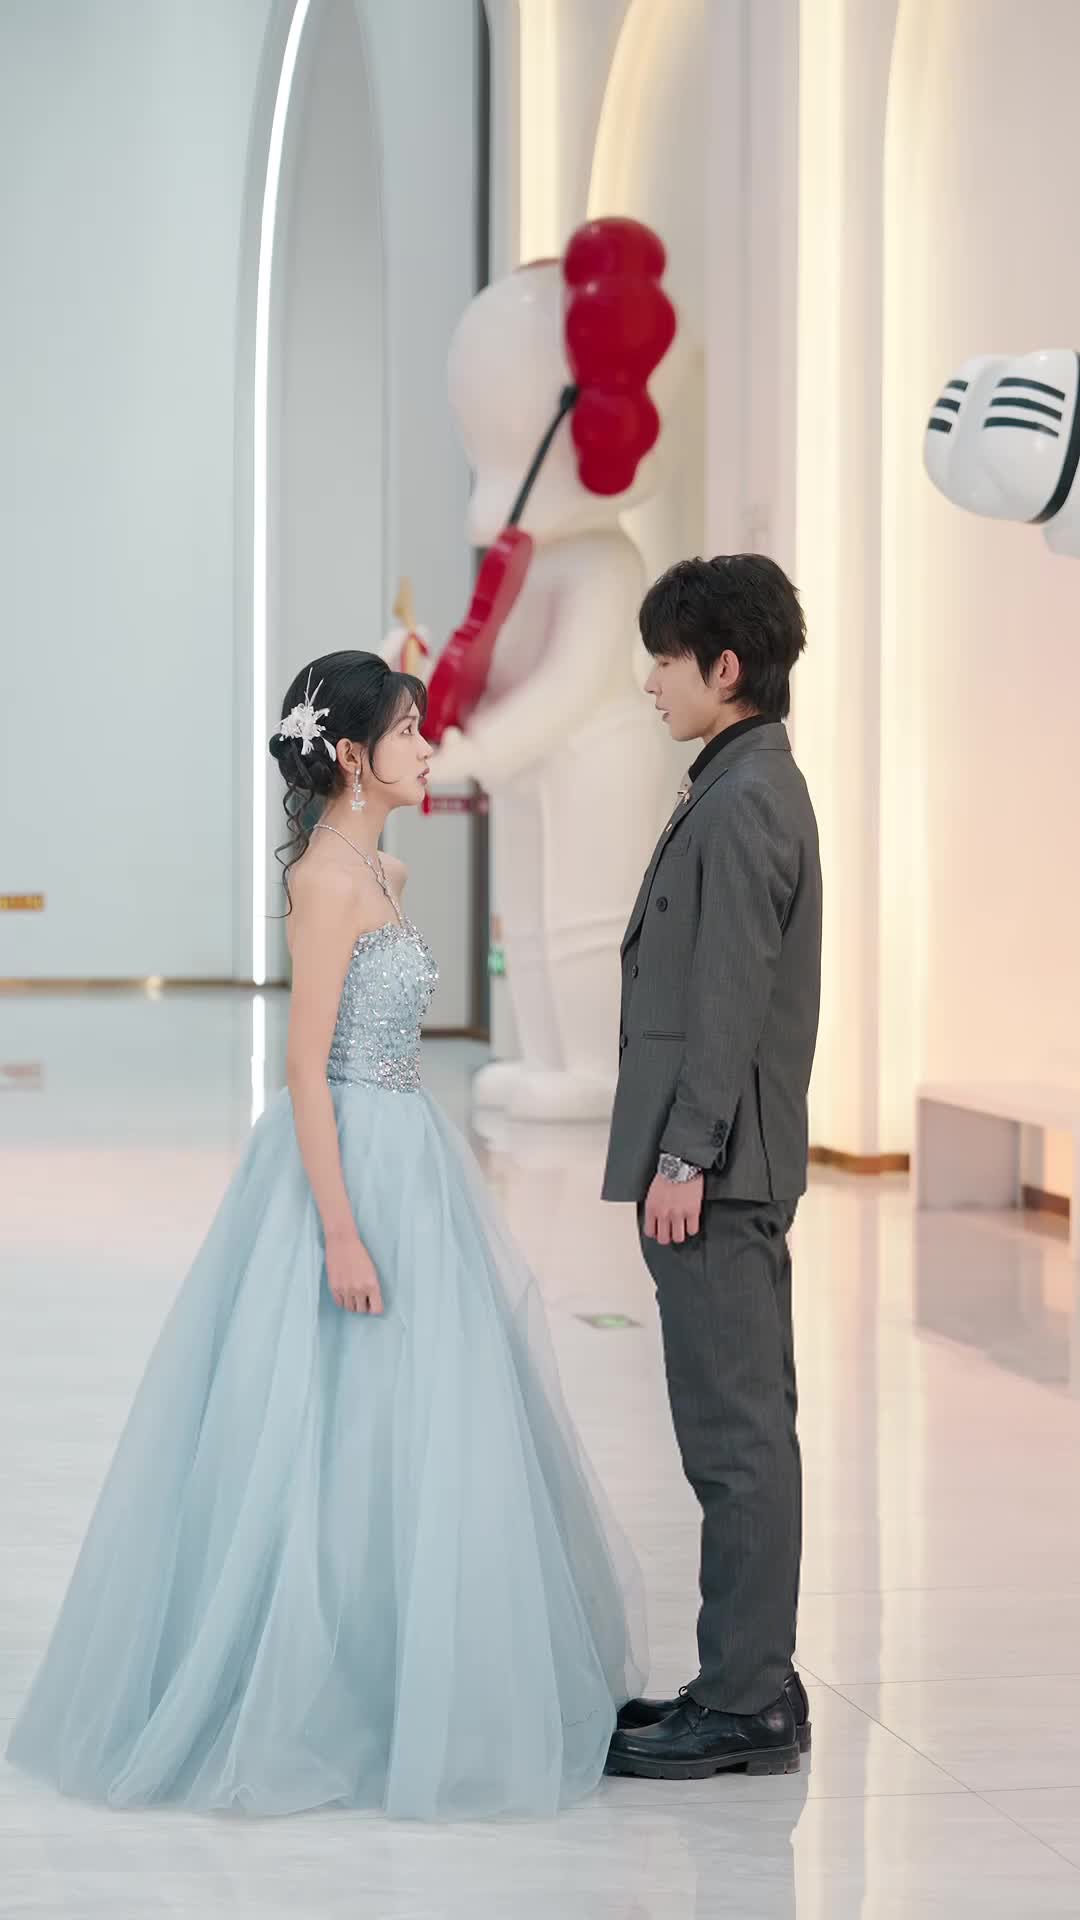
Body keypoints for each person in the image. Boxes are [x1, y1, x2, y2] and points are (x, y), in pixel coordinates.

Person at [6, 650, 645, 1821]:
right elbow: (304, 1068)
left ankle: (408, 1673)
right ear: (352, 756)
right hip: (345, 1161)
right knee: (320, 1424)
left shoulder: (387, 867)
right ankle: (317, 1683)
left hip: (413, 1155)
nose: (429, 748)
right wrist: (340, 1234)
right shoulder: (326, 884)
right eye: (409, 732)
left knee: (421, 1419)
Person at [601, 556, 822, 1782]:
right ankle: (746, 1675)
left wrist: (686, 1154)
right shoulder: (740, 779)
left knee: (734, 1439)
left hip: (720, 1172)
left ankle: (744, 1703)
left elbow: (729, 1001)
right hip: (723, 1164)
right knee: (742, 1429)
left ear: (724, 667)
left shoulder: (744, 800)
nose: (651, 682)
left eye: (665, 660)